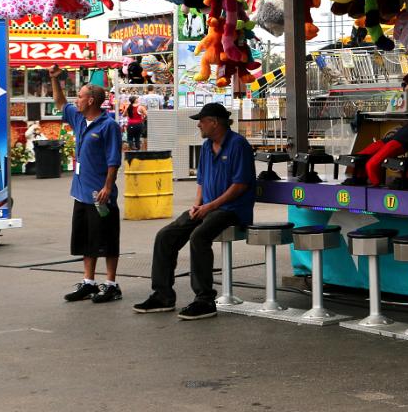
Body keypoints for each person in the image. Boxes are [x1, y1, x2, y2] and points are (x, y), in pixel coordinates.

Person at [133, 102, 256, 320]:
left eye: (201, 121)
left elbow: (240, 185)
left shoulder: (239, 145)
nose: (198, 125)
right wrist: (197, 204)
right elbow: (201, 180)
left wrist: (210, 206)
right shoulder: (207, 147)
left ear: (214, 122)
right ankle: (162, 295)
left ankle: (204, 300)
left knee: (198, 237)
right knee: (165, 235)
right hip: (207, 208)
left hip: (232, 210)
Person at [50, 65, 124, 304]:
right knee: (86, 238)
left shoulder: (108, 125)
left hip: (100, 194)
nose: (76, 100)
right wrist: (55, 79)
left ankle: (111, 284)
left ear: (91, 100)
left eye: (80, 96)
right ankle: (89, 282)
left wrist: (108, 187)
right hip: (81, 193)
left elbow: (114, 159)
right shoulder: (79, 120)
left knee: (107, 238)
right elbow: (61, 103)